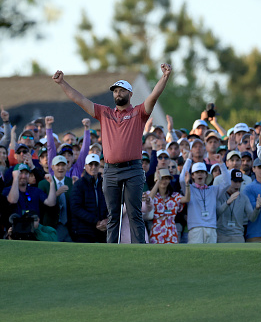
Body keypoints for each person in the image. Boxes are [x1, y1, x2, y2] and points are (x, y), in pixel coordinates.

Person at [53, 63, 172, 244]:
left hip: (132, 169)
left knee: (134, 213)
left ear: (130, 94)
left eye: (122, 90)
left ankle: (139, 250)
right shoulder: (105, 113)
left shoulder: (139, 112)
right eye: (115, 91)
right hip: (110, 170)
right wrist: (62, 83)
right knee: (113, 214)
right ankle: (112, 253)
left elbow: (154, 96)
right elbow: (80, 100)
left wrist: (164, 77)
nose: (118, 93)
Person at [180, 161, 228, 243]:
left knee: (211, 255)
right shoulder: (189, 188)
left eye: (202, 172)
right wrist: (188, 160)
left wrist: (221, 164)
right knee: (195, 255)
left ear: (206, 175)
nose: (200, 174)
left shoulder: (213, 189)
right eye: (197, 172)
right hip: (196, 229)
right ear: (192, 175)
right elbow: (181, 180)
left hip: (211, 228)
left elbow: (227, 183)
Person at [69, 154, 108, 243]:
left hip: (102, 231)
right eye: (90, 164)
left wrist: (106, 220)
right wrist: (96, 221)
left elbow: (109, 204)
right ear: (85, 166)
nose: (93, 167)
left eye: (96, 164)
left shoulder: (104, 184)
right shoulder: (79, 185)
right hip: (83, 231)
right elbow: (76, 208)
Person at [216, 169, 261, 243]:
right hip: (222, 235)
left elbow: (252, 218)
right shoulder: (220, 195)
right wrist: (227, 202)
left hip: (238, 236)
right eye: (235, 181)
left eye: (240, 182)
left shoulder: (244, 198)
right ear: (228, 181)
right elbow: (217, 214)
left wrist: (257, 209)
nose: (238, 184)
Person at [148, 169, 190, 244]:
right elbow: (149, 199)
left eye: (166, 178)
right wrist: (157, 182)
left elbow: (186, 199)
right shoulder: (152, 195)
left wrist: (187, 184)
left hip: (171, 229)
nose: (164, 181)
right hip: (157, 229)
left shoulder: (174, 195)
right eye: (162, 178)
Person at [38, 155, 73, 242]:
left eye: (63, 165)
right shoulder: (44, 184)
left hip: (69, 226)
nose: (60, 168)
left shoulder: (71, 182)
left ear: (67, 166)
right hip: (50, 225)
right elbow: (41, 206)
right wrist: (56, 194)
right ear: (52, 167)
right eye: (58, 165)